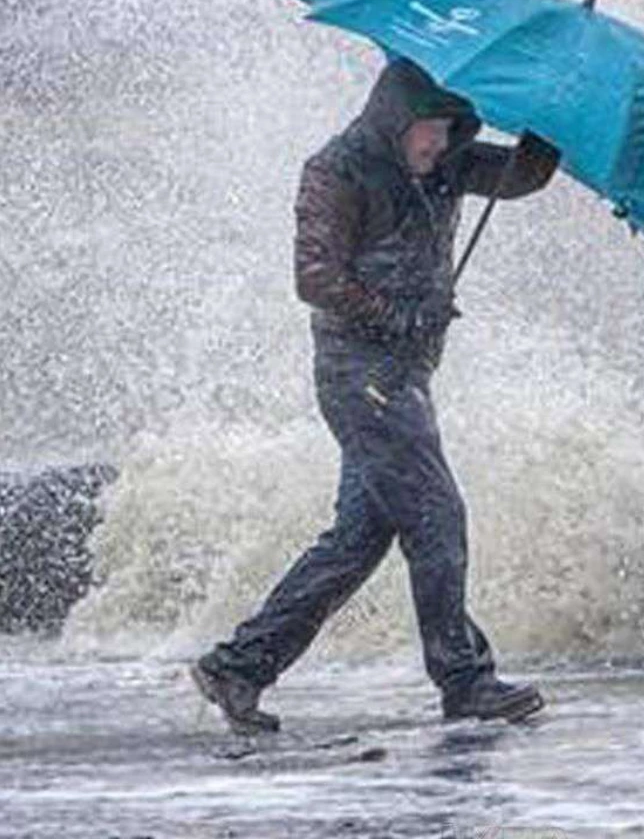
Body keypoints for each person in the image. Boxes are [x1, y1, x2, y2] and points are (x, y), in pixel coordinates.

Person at [190, 58, 560, 734]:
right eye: (429, 130)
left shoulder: (446, 161)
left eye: (451, 130)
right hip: (359, 374)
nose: (438, 145)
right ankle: (465, 680)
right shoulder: (336, 171)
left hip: (405, 376)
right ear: (395, 119)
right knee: (437, 515)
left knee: (359, 538)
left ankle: (239, 667)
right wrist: (396, 316)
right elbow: (314, 278)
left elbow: (520, 177)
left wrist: (549, 124)